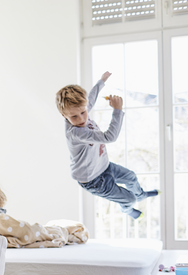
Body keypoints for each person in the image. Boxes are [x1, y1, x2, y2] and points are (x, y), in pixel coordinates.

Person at [55, 71, 158, 220]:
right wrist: (117, 110)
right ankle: (127, 209)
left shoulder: (80, 111)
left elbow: (90, 99)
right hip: (93, 180)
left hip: (103, 165)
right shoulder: (76, 133)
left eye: (83, 112)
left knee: (131, 177)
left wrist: (102, 81)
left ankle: (141, 195)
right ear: (64, 115)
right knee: (130, 200)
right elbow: (109, 137)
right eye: (74, 116)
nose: (82, 119)